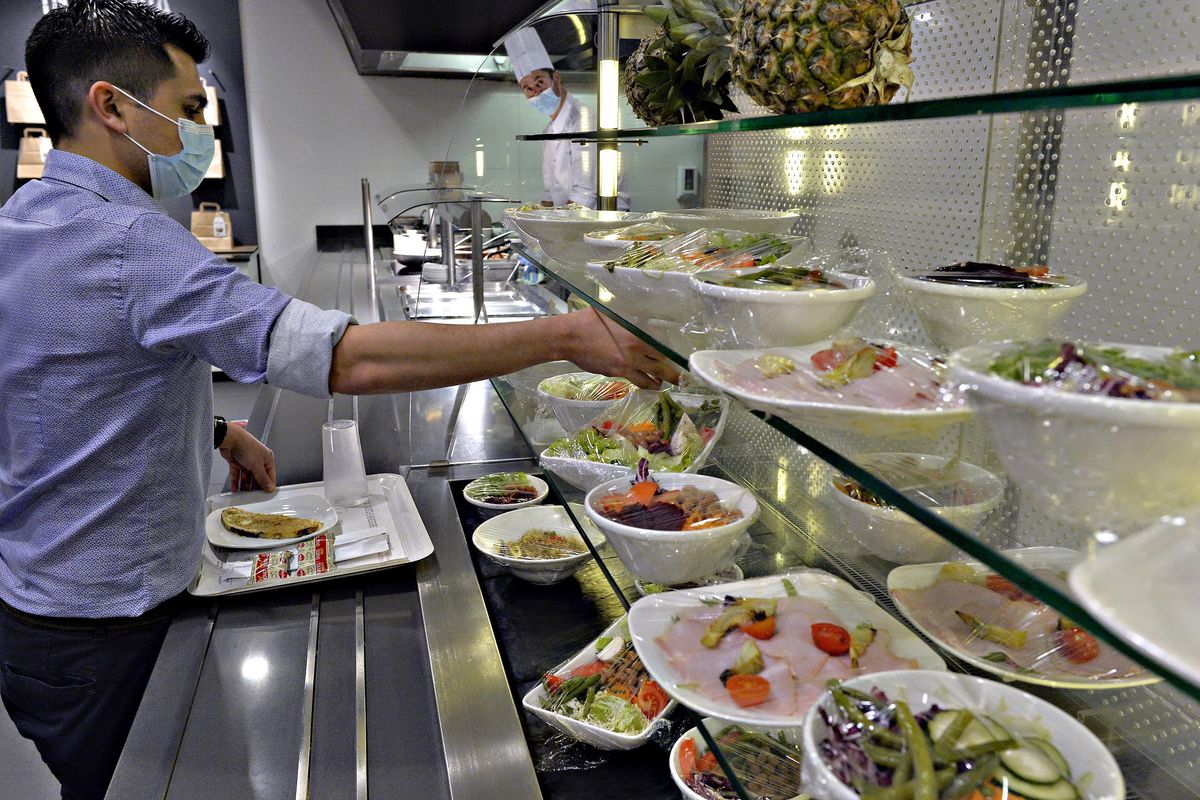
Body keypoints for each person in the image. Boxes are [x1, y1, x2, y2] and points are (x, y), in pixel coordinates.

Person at [0, 3, 677, 798]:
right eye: (187, 110)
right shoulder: (128, 240)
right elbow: (342, 358)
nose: (197, 134)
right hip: (102, 633)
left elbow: (61, 382)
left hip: (40, 609)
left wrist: (214, 427)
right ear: (110, 106)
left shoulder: (30, 218)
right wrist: (565, 336)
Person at [504, 27, 630, 210]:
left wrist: (554, 226)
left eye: (540, 82)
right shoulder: (548, 131)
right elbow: (549, 191)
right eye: (528, 88)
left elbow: (584, 194)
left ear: (556, 78)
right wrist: (536, 218)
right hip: (573, 220)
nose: (536, 92)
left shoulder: (584, 120)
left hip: (603, 217)